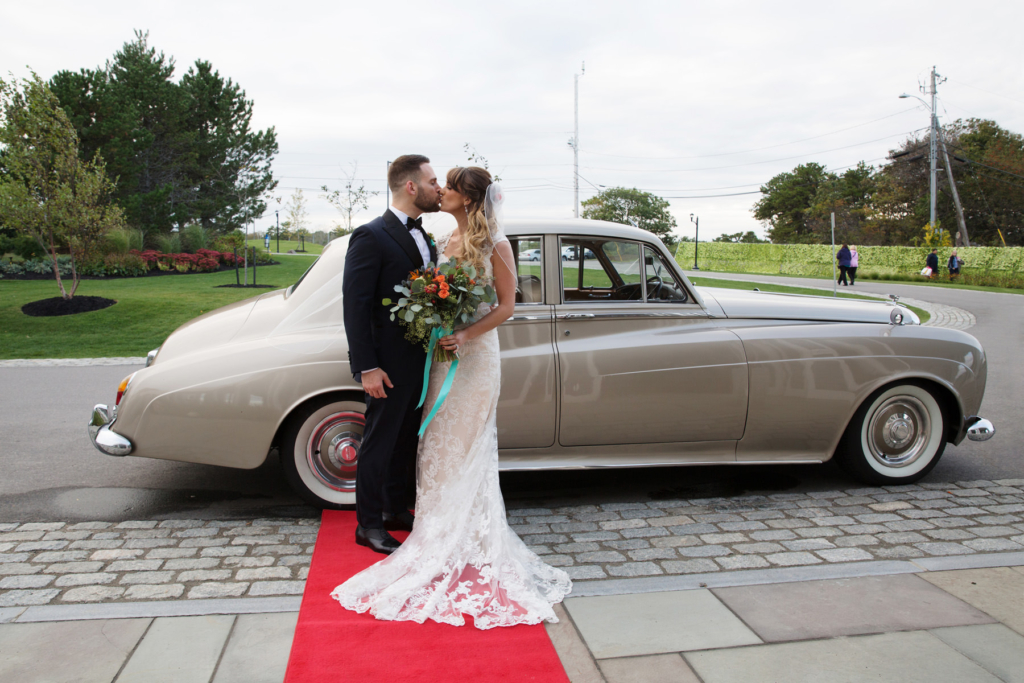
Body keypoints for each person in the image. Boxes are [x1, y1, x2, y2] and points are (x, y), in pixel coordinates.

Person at [333, 166, 572, 629]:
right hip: (440, 358)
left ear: (469, 198)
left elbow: (506, 306)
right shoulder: (443, 242)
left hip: (475, 357)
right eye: (435, 181)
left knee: (465, 446)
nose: (440, 190)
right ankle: (433, 528)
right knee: (435, 446)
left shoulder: (496, 245)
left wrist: (465, 334)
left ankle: (466, 534)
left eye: (449, 186)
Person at [342, 154, 441, 555]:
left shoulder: (427, 237)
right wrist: (367, 366)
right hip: (384, 363)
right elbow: (356, 305)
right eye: (434, 181)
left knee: (405, 441)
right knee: (379, 442)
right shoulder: (370, 236)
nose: (440, 189)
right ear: (411, 186)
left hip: (420, 359)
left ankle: (395, 509)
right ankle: (367, 525)